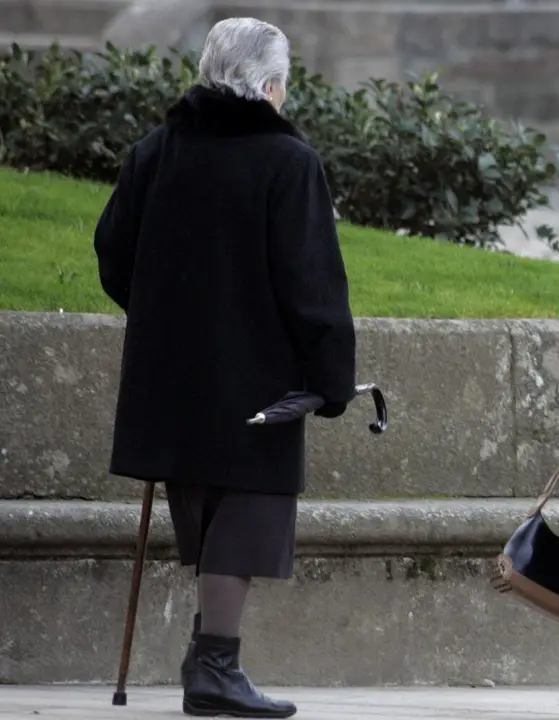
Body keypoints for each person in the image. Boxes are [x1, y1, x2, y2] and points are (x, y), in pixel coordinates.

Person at [94, 17, 356, 720]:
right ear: (270, 86)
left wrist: (163, 314)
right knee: (245, 515)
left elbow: (114, 254)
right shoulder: (286, 161)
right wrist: (331, 377)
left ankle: (210, 658)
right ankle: (214, 666)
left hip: (171, 371)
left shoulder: (158, 151)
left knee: (208, 514)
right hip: (258, 375)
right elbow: (312, 283)